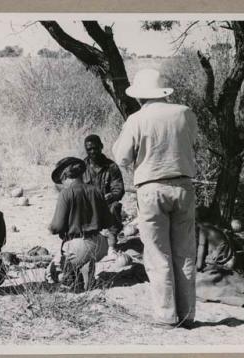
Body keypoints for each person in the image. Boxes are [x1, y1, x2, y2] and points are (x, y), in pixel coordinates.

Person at [112, 68, 198, 329]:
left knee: (158, 254)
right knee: (184, 253)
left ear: (140, 96)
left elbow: (122, 157)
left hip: (151, 188)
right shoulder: (184, 113)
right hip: (183, 186)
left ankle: (165, 315)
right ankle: (187, 315)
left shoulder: (137, 119)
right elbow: (193, 143)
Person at [46, 157, 113, 292]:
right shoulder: (96, 190)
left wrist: (51, 227)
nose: (61, 184)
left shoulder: (67, 193)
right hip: (101, 244)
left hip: (78, 247)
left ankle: (76, 273)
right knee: (81, 257)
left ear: (65, 176)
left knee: (52, 272)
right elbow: (109, 221)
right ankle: (87, 267)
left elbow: (56, 227)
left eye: (61, 181)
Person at [82, 134, 125, 258]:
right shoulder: (81, 167)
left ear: (101, 147)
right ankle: (86, 244)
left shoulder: (111, 167)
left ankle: (111, 246)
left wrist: (111, 196)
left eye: (95, 148)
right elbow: (75, 188)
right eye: (89, 149)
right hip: (88, 207)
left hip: (106, 206)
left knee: (115, 206)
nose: (92, 152)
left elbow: (119, 189)